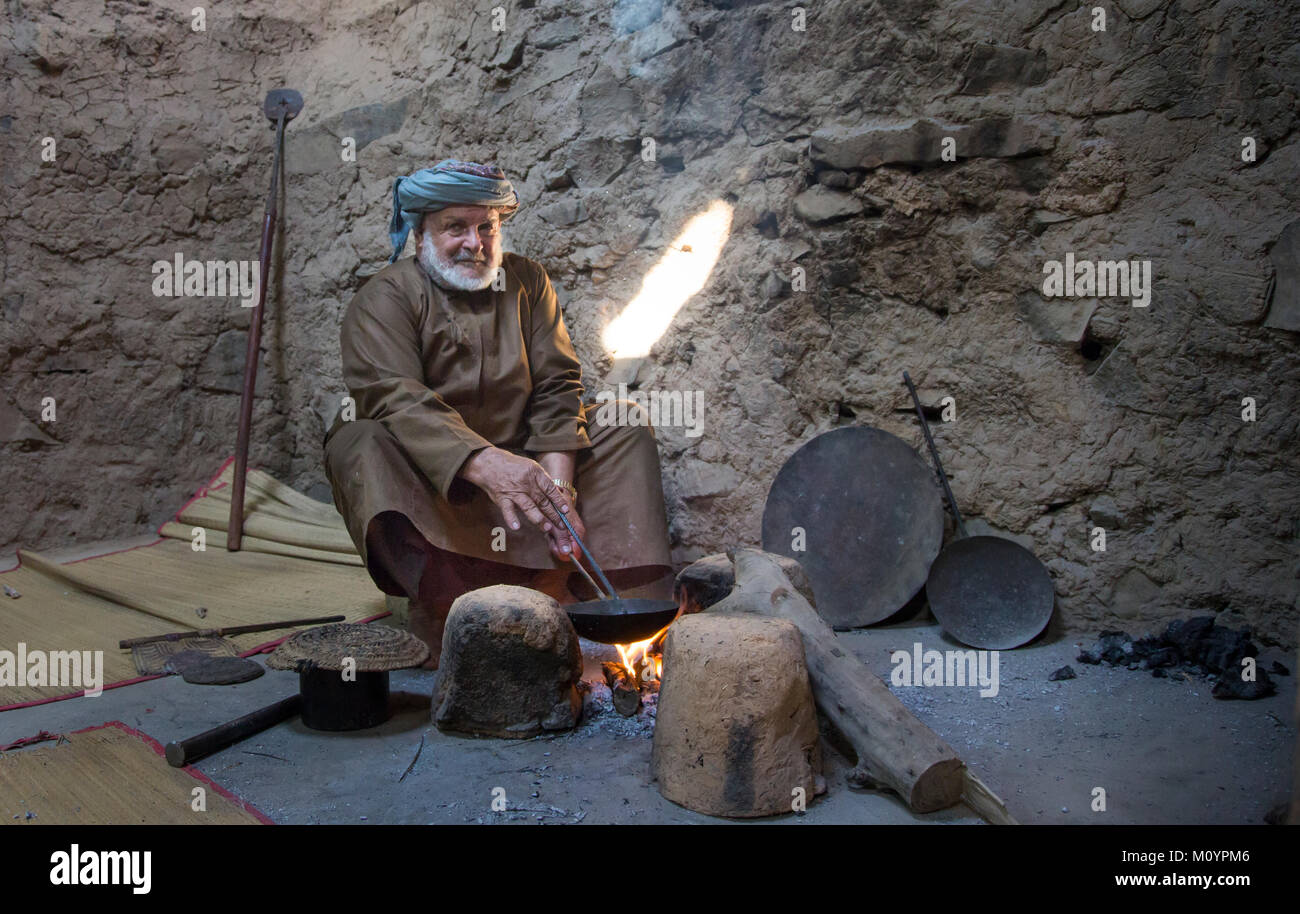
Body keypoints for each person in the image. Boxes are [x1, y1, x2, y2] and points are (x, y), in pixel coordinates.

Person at [323, 159, 673, 667]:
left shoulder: (527, 281)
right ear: (421, 233)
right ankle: (446, 609)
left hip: (525, 462)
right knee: (360, 442)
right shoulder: (384, 298)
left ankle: (559, 589)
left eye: (486, 226)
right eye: (455, 228)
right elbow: (394, 397)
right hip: (437, 475)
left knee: (620, 421)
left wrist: (558, 494)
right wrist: (486, 465)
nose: (475, 242)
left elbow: (557, 387)